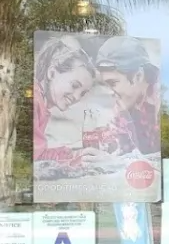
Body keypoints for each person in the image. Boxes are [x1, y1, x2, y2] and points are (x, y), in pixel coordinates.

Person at [32, 34, 97, 162]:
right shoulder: (34, 102)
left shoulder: (40, 101)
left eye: (83, 93)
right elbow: (35, 158)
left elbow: (37, 154)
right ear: (52, 73)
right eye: (74, 85)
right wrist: (77, 158)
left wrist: (76, 154)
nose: (77, 97)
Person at [93, 36, 160, 155]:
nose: (108, 92)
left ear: (138, 76)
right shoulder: (124, 105)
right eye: (104, 85)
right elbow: (124, 152)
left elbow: (162, 160)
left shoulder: (162, 105)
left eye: (112, 83)